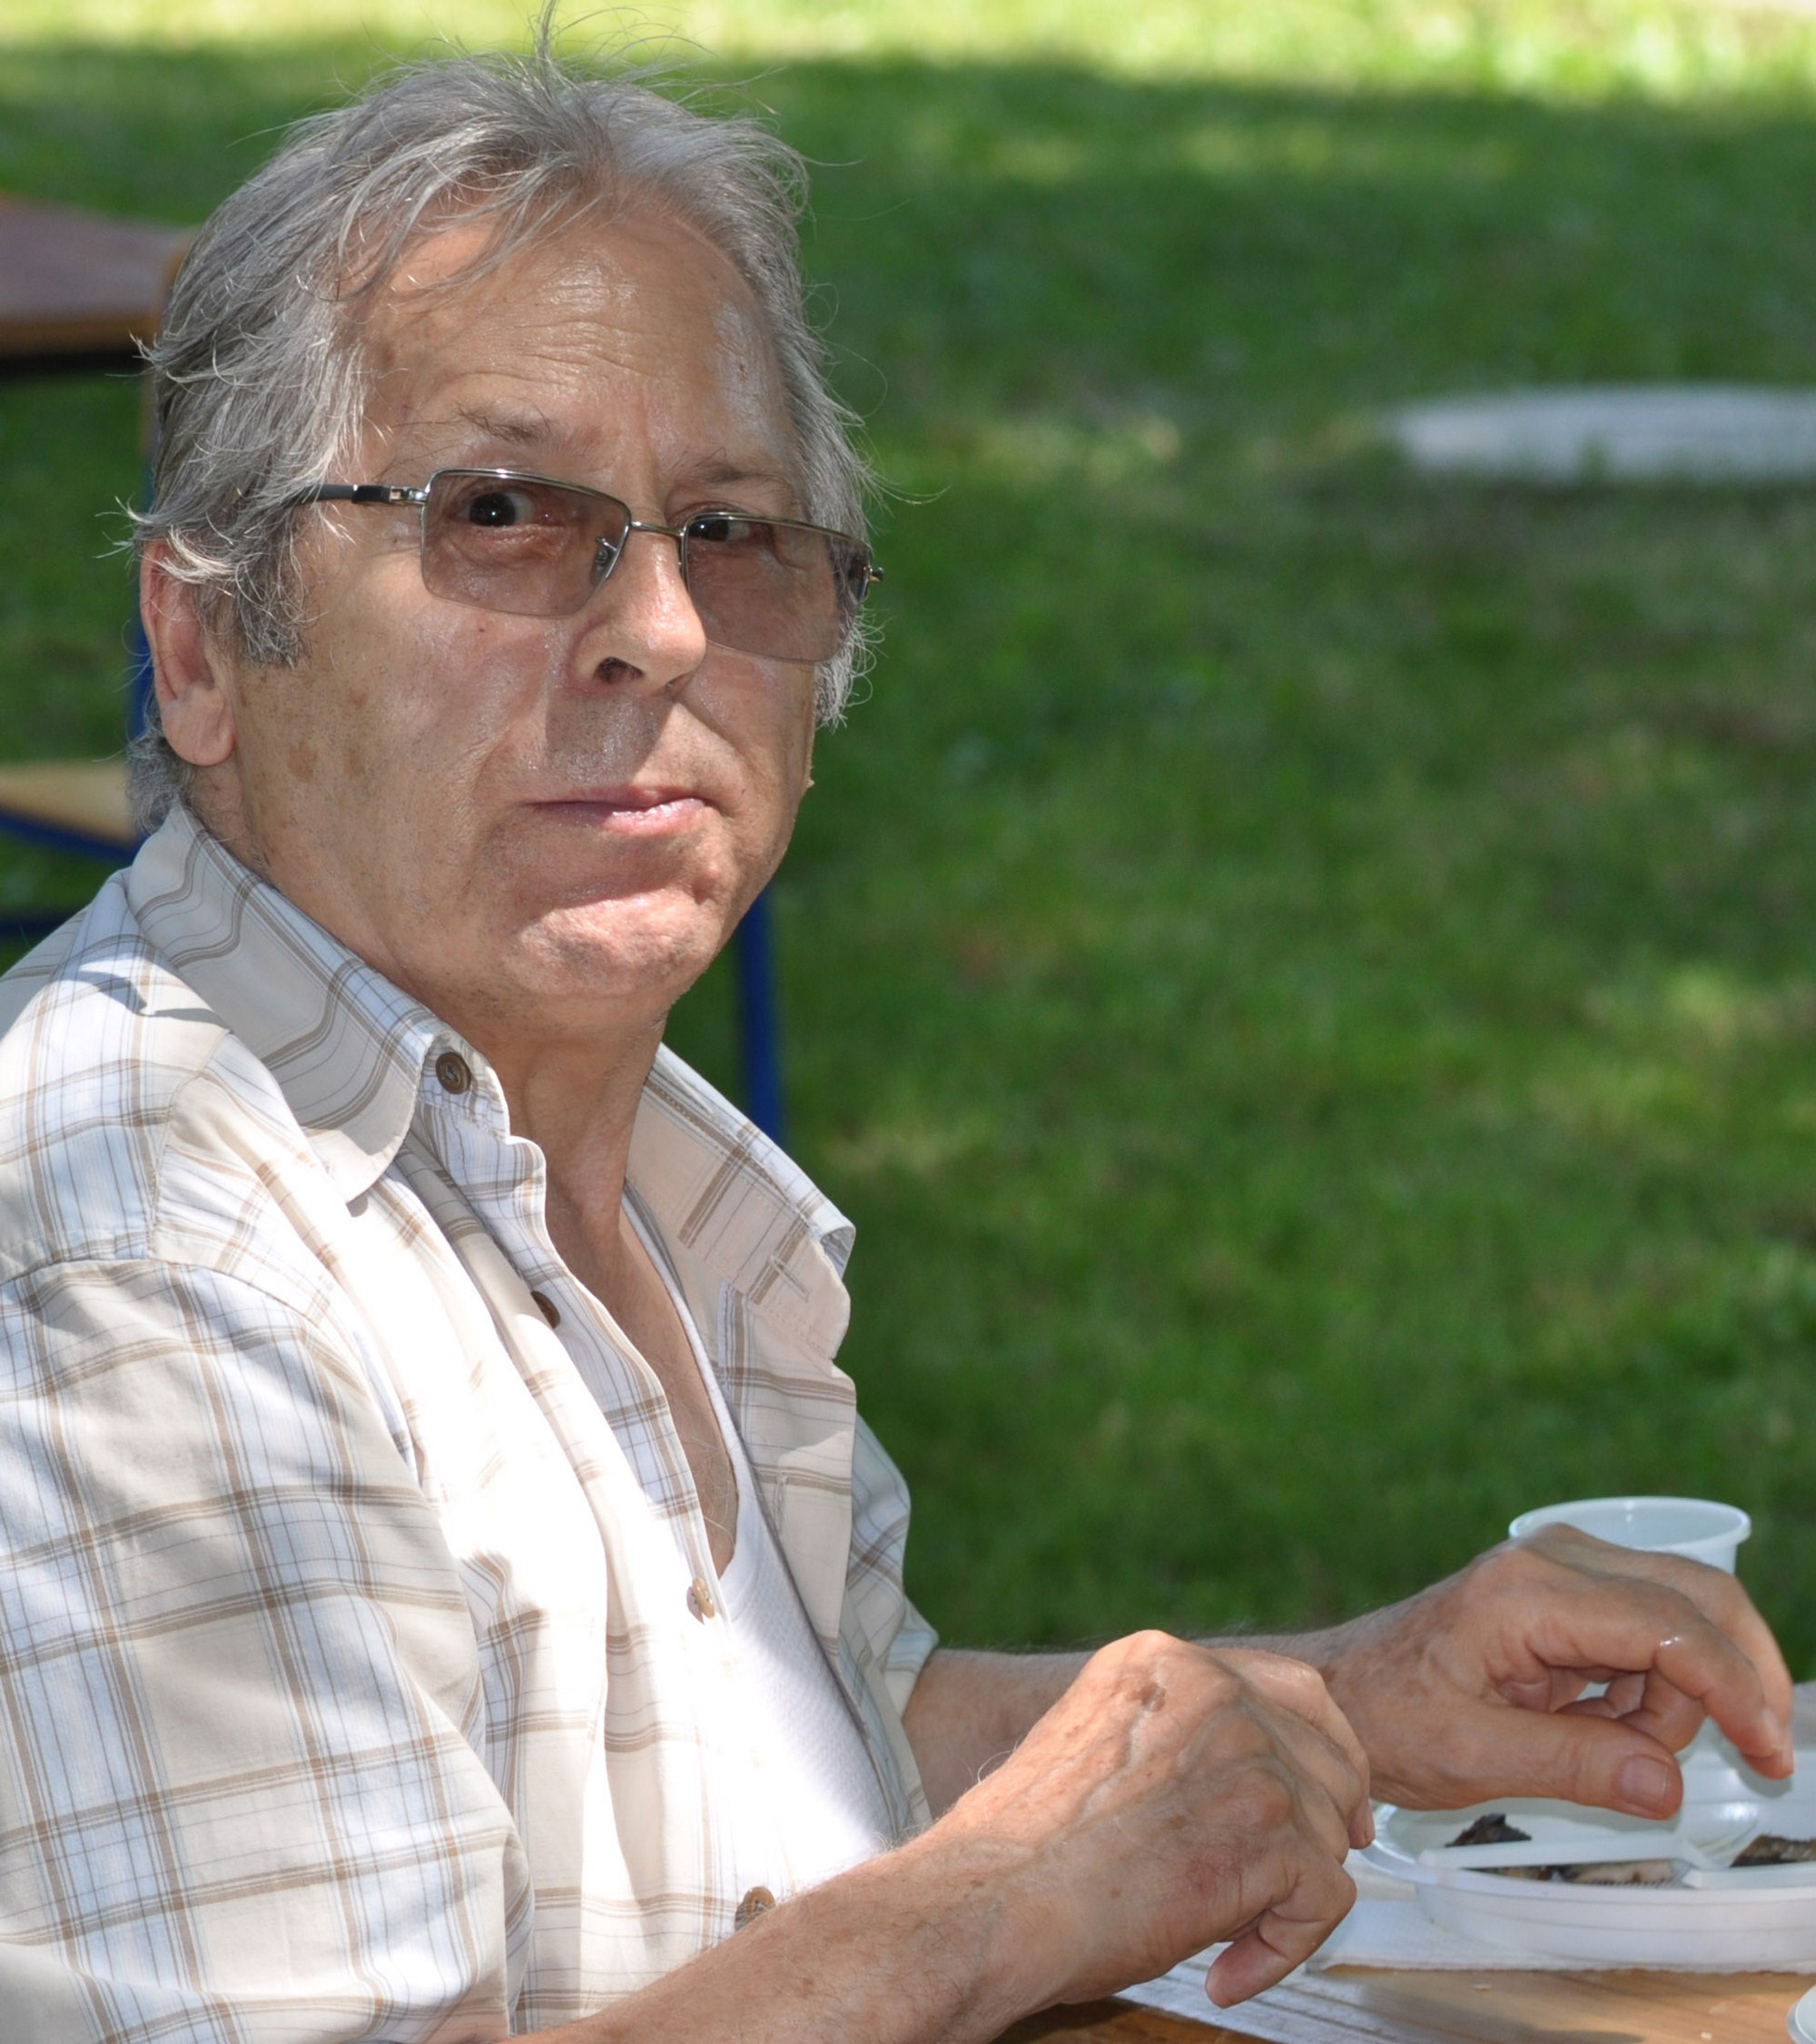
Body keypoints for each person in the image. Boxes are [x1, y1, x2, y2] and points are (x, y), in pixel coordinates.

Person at [0, 37, 1793, 2044]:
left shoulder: (635, 1179)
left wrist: (1342, 1704)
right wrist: (997, 1905)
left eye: (733, 531)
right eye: (499, 511)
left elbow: (776, 1791)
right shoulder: (142, 1256)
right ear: (201, 646)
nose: (664, 629)